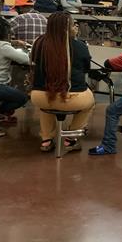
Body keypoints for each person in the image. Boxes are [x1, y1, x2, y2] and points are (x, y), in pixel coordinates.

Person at [30, 12, 95, 152]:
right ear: (66, 28)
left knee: (47, 100)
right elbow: (86, 69)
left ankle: (46, 140)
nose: (75, 27)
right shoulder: (80, 46)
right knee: (89, 102)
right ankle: (71, 138)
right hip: (71, 98)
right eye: (73, 25)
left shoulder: (39, 43)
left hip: (39, 97)